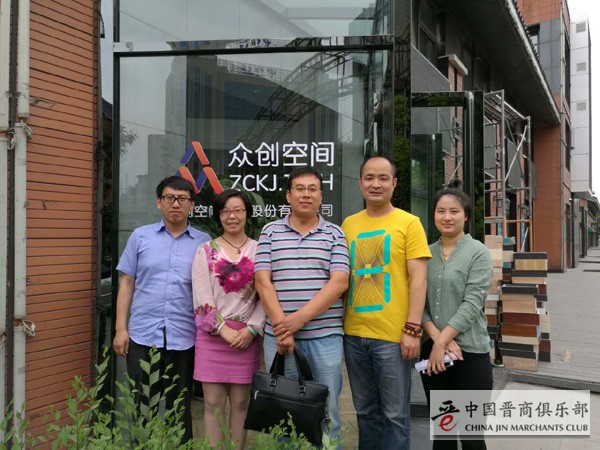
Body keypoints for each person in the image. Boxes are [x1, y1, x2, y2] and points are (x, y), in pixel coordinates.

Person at [254, 166, 350, 441]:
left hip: (325, 338)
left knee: (327, 414)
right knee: (283, 417)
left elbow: (339, 282)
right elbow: (262, 281)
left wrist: (297, 321)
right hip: (279, 339)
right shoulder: (270, 232)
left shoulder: (335, 233)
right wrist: (283, 329)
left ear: (321, 196)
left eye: (312, 189)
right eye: (299, 188)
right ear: (288, 195)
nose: (306, 194)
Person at [342, 156, 431, 450]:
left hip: (394, 337)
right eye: (369, 178)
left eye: (383, 178)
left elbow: (419, 280)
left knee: (395, 416)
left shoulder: (409, 223)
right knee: (365, 413)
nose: (375, 184)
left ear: (394, 183)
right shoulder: (349, 224)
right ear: (360, 183)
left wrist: (412, 329)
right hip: (354, 335)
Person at [112, 176, 210, 443]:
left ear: (192, 205)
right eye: (169, 198)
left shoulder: (204, 242)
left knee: (180, 408)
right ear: (159, 202)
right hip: (143, 335)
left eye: (182, 199)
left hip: (185, 338)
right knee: (143, 406)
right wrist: (121, 329)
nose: (175, 204)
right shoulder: (140, 237)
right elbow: (127, 282)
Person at [420, 179, 493, 450]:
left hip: (470, 355)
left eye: (454, 211)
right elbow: (417, 302)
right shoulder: (425, 254)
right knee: (443, 434)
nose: (447, 217)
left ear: (466, 216)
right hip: (434, 357)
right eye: (441, 211)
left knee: (472, 436)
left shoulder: (478, 253)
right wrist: (437, 340)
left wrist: (441, 343)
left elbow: (472, 304)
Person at [192, 189, 265, 450]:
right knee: (213, 403)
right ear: (218, 215)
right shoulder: (205, 251)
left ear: (247, 213)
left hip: (247, 338)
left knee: (241, 403)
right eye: (225, 211)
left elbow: (266, 295)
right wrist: (222, 328)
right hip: (212, 337)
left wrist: (252, 329)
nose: (231, 216)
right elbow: (201, 296)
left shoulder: (260, 250)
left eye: (237, 210)